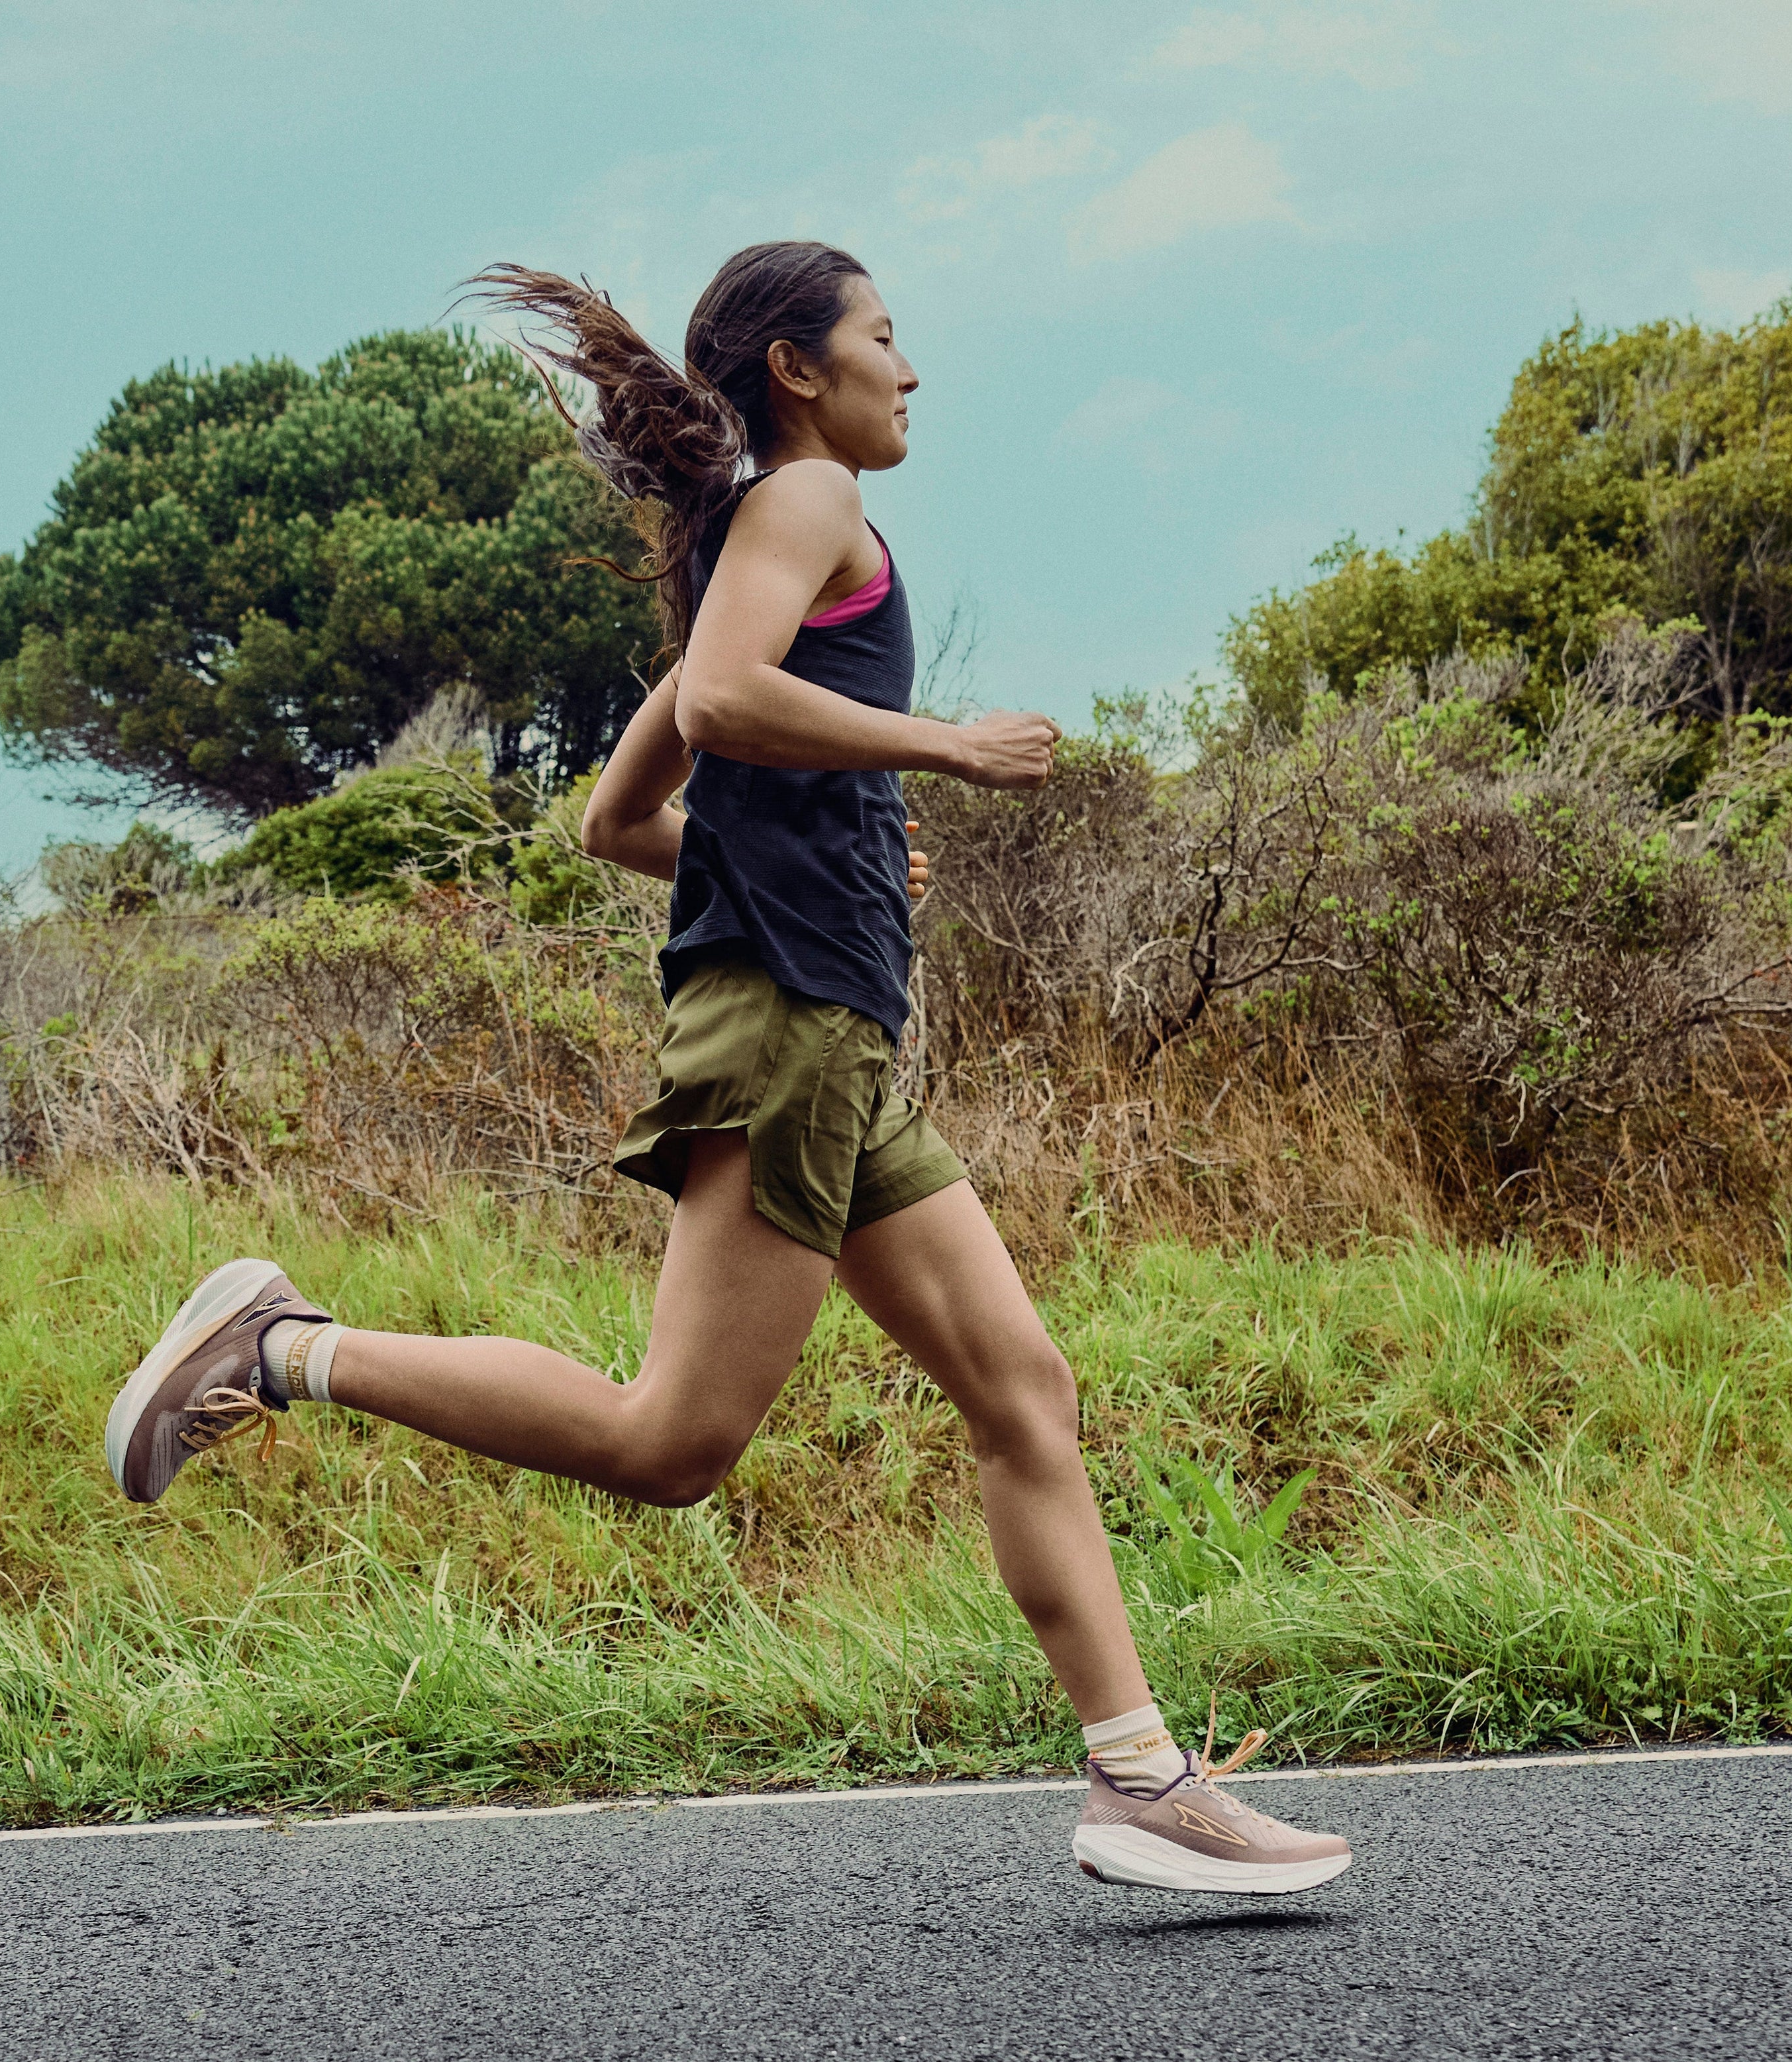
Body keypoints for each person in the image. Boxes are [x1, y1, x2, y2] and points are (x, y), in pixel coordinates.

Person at [98, 242, 1348, 1896]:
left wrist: (816, 852)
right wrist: (943, 746)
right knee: (670, 1445)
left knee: (1020, 1388)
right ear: (798, 372)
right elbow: (736, 697)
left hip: (827, 1026)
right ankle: (288, 1344)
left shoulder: (764, 545)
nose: (914, 371)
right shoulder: (807, 504)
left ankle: (1141, 1778)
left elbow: (620, 820)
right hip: (790, 1033)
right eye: (887, 340)